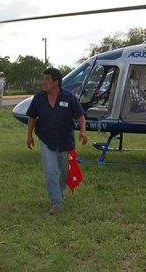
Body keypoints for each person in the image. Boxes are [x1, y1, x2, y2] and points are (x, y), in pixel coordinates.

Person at [26, 68, 88, 215]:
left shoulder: (69, 97)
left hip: (65, 140)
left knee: (65, 172)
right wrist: (29, 136)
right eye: (44, 79)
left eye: (47, 79)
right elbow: (32, 117)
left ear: (56, 82)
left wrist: (83, 132)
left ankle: (59, 191)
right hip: (46, 140)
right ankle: (56, 202)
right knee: (50, 171)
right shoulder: (39, 98)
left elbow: (80, 116)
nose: (44, 82)